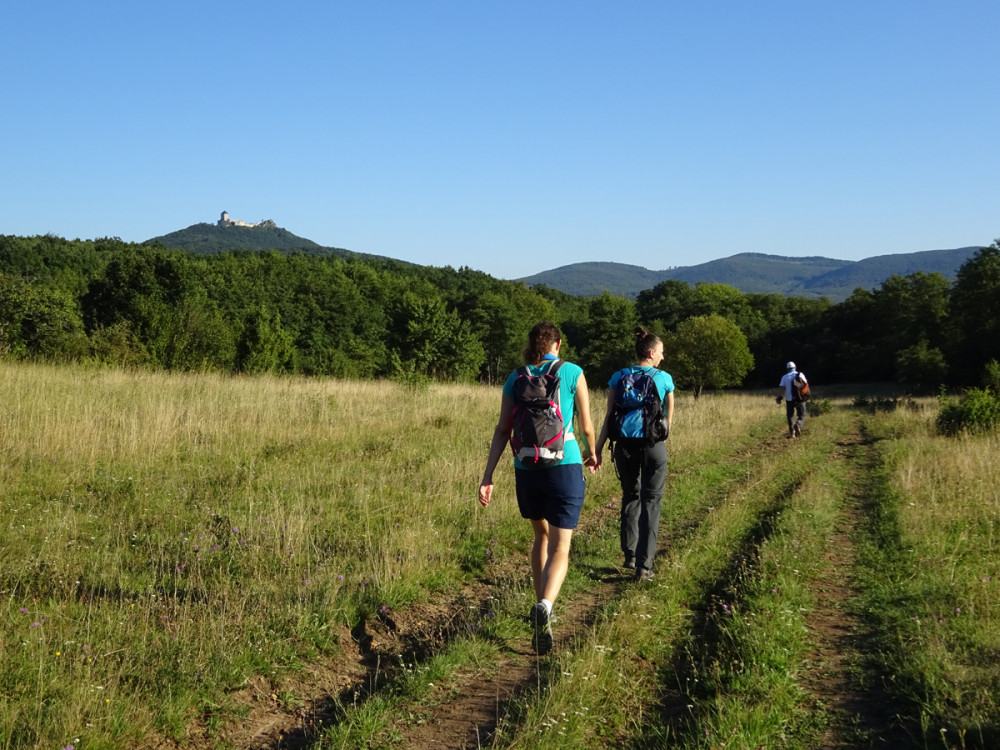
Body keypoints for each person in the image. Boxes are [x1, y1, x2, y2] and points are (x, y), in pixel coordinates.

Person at [479, 321, 598, 654]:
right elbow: (587, 425)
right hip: (565, 465)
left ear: (532, 345)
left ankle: (540, 605)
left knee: (540, 537)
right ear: (557, 344)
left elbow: (503, 430)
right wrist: (593, 453)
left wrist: (487, 476)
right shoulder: (573, 372)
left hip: (526, 468)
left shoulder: (515, 377)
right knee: (561, 545)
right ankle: (545, 605)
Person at [594, 327, 674, 582]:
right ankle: (644, 566)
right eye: (661, 352)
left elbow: (609, 416)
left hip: (625, 447)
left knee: (631, 496)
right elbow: (668, 418)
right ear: (651, 353)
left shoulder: (618, 377)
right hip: (653, 447)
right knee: (652, 502)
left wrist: (598, 448)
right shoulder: (663, 378)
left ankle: (629, 555)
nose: (663, 356)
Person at [777, 361, 808, 437]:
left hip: (789, 399)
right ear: (795, 367)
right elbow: (806, 385)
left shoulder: (784, 377)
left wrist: (779, 398)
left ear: (787, 369)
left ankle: (792, 433)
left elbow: (781, 388)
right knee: (802, 415)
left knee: (790, 416)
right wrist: (806, 396)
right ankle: (798, 425)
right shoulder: (800, 374)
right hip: (800, 398)